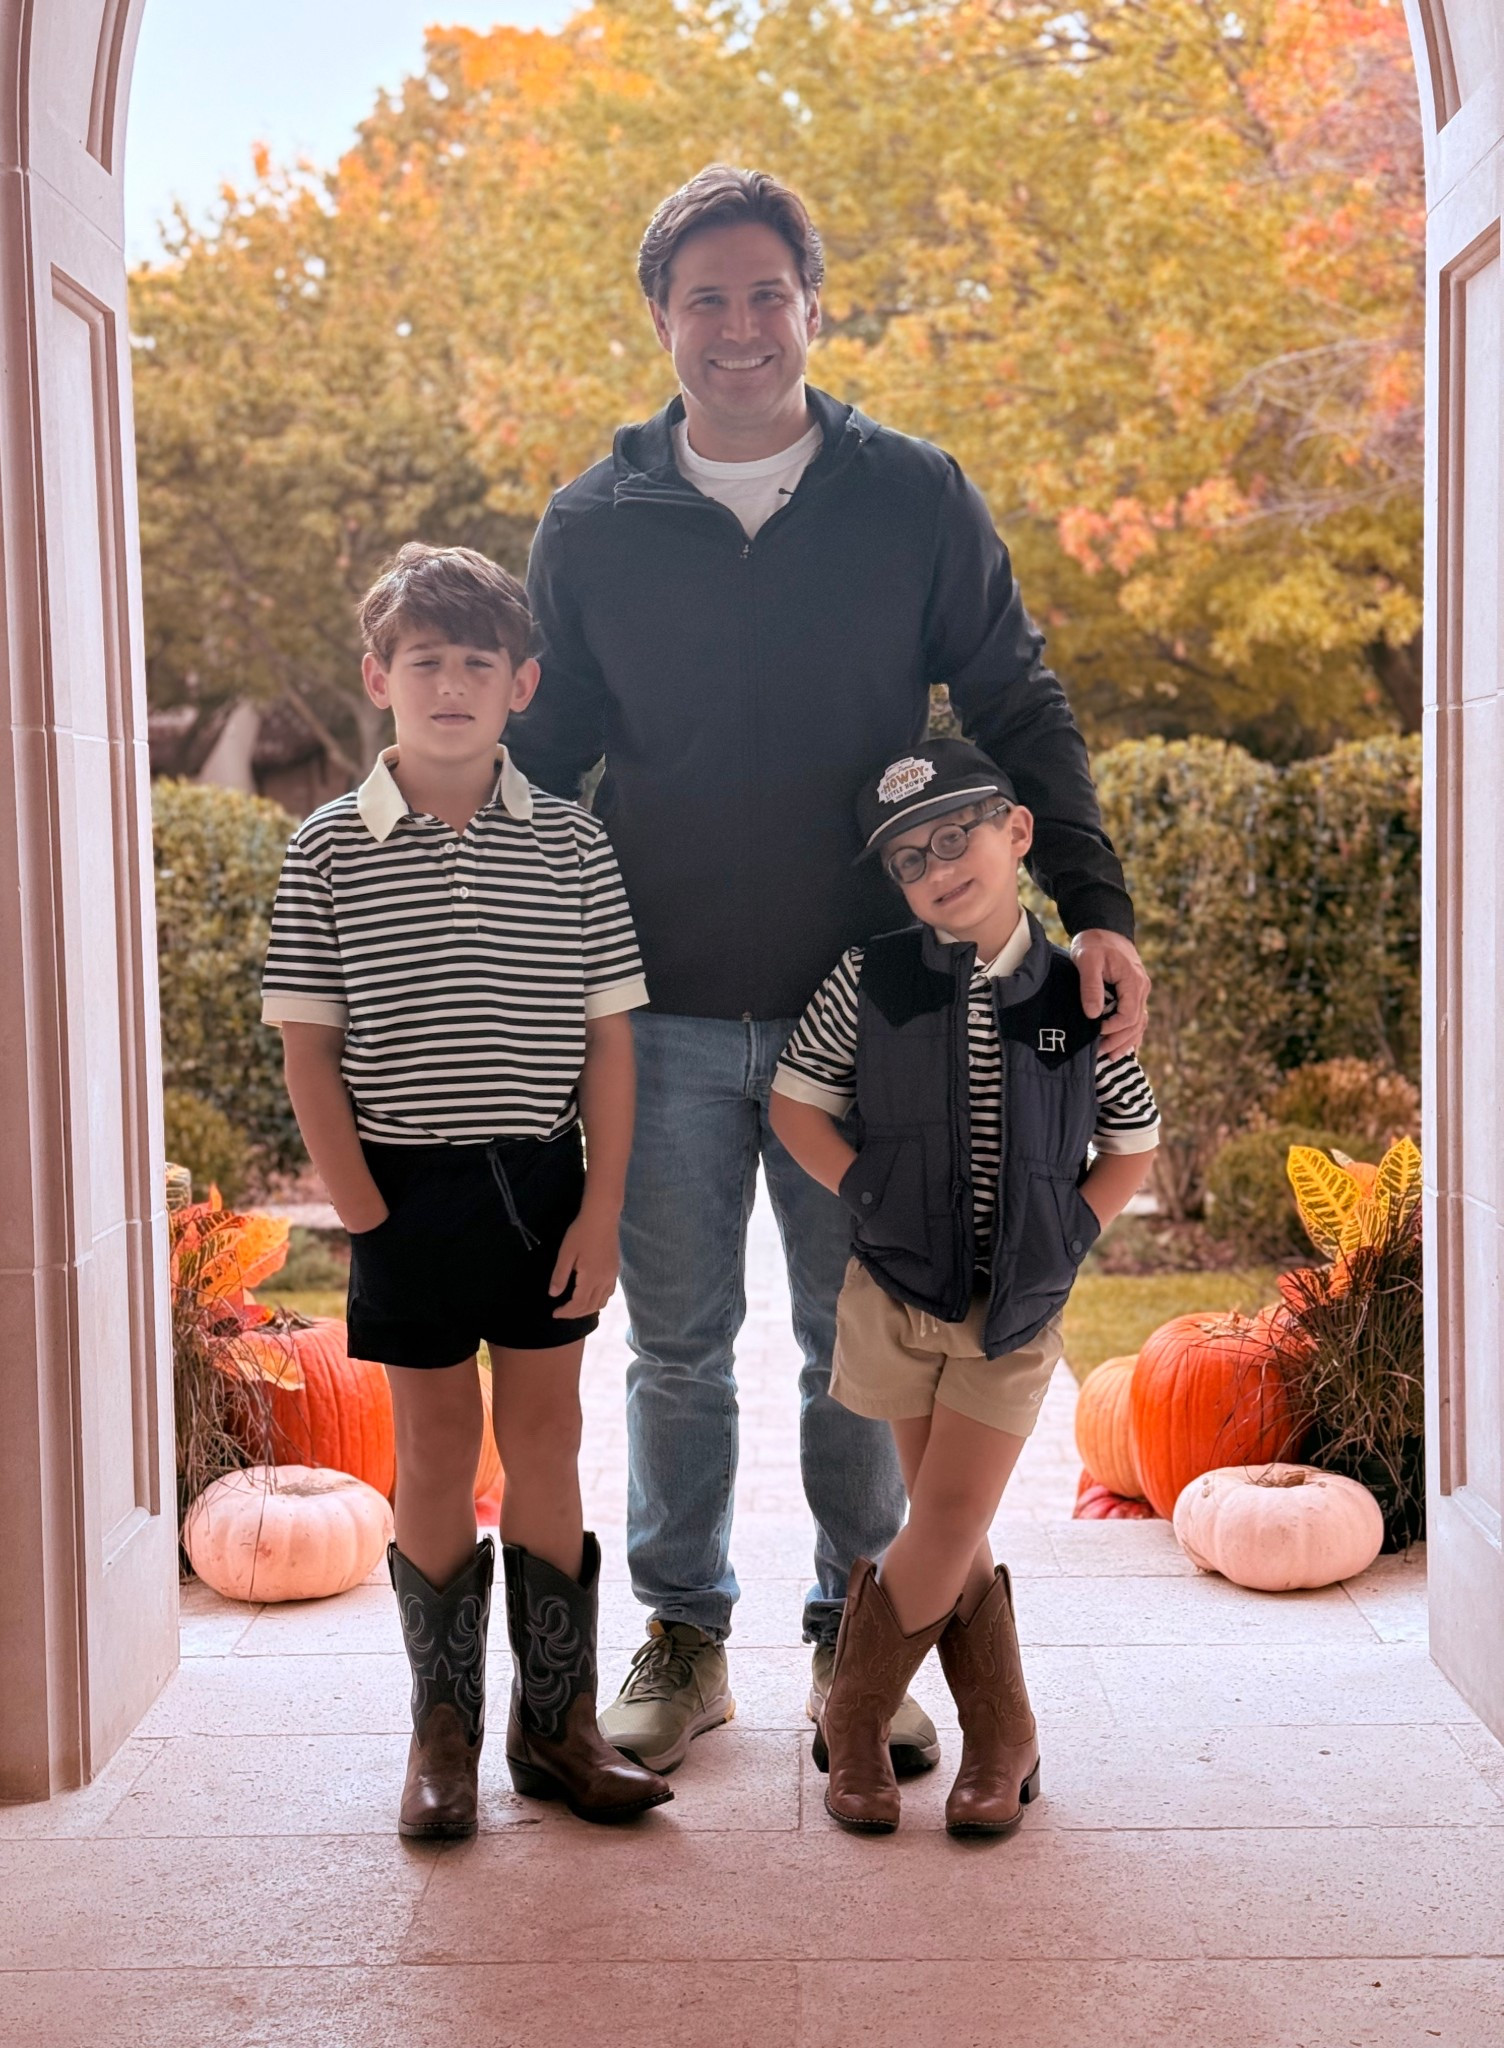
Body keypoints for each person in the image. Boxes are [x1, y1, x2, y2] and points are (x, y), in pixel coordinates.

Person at [509, 163, 1152, 1776]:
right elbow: (551, 746)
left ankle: (862, 1629)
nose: (738, 326)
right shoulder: (591, 522)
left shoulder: (910, 492)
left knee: (859, 1332)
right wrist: (450, 886)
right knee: (670, 1345)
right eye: (704, 298)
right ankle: (684, 1630)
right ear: (661, 319)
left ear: (812, 303)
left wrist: (1094, 894)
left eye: (765, 292)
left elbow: (1014, 693)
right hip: (655, 1002)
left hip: (870, 1012)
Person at [260, 543, 672, 1836]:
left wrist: (600, 1208)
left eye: (477, 665)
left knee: (547, 1437)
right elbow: (308, 1048)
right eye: (425, 662)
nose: (451, 685)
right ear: (380, 678)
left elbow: (611, 1040)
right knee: (437, 1450)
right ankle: (441, 1739)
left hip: (541, 1188)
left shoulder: (573, 846)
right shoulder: (327, 850)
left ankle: (557, 1728)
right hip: (401, 1193)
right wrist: (363, 1214)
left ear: (523, 685)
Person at [769, 738, 1160, 1833]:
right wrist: (874, 1191)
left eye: (957, 834)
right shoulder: (874, 978)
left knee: (941, 1516)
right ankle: (1003, 1738)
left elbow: (1130, 1141)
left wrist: (1068, 1229)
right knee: (954, 1532)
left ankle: (852, 1721)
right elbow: (797, 1108)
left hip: (1011, 1314)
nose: (939, 866)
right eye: (908, 858)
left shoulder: (1077, 994)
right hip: (896, 1289)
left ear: (1017, 829)